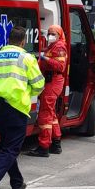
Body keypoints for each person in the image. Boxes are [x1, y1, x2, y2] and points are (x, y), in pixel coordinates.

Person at [0, 26, 45, 189]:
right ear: (23, 41)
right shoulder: (26, 58)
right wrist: (27, 90)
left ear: (8, 39)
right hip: (16, 106)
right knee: (11, 148)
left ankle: (17, 182)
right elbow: (39, 84)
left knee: (8, 146)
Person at [27, 25, 68, 157]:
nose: (50, 35)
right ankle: (56, 144)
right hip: (50, 80)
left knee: (45, 113)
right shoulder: (52, 46)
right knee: (51, 114)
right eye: (49, 33)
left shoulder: (60, 47)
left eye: (53, 33)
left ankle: (44, 146)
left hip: (53, 81)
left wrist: (45, 58)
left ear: (59, 34)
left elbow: (60, 66)